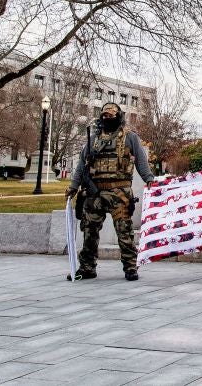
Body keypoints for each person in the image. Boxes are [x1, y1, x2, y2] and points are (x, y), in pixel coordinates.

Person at [66, 102, 156, 281]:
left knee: (124, 232)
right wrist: (74, 187)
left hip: (119, 192)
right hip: (95, 193)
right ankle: (87, 267)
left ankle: (130, 267)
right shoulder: (93, 140)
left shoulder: (130, 137)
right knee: (89, 232)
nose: (107, 119)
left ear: (118, 117)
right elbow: (81, 167)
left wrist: (149, 179)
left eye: (111, 116)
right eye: (105, 116)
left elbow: (141, 162)